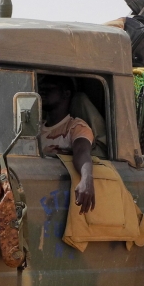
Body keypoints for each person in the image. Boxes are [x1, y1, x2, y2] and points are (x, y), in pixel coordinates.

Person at [38, 75, 96, 214]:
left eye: (49, 88)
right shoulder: (35, 128)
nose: (42, 92)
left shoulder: (75, 127)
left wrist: (86, 179)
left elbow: (82, 152)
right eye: (41, 88)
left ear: (66, 94)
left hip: (56, 199)